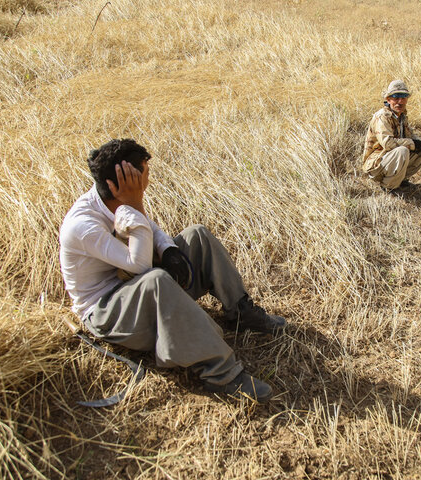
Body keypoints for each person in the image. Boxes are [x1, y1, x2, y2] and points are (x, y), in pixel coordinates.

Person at [59, 138, 286, 403]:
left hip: (134, 282)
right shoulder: (83, 225)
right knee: (156, 280)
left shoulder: (112, 201)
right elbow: (141, 266)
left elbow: (149, 231)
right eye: (143, 172)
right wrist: (135, 204)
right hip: (107, 309)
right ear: (124, 182)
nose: (148, 177)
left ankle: (241, 311)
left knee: (196, 235)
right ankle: (221, 373)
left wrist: (169, 250)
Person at [362, 79, 421, 192]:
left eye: (403, 97)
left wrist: (418, 142)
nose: (400, 101)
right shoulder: (382, 117)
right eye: (395, 97)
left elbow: (409, 135)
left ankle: (401, 179)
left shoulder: (401, 115)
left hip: (391, 158)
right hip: (376, 164)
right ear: (388, 99)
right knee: (403, 151)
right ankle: (388, 186)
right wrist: (412, 143)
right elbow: (388, 144)